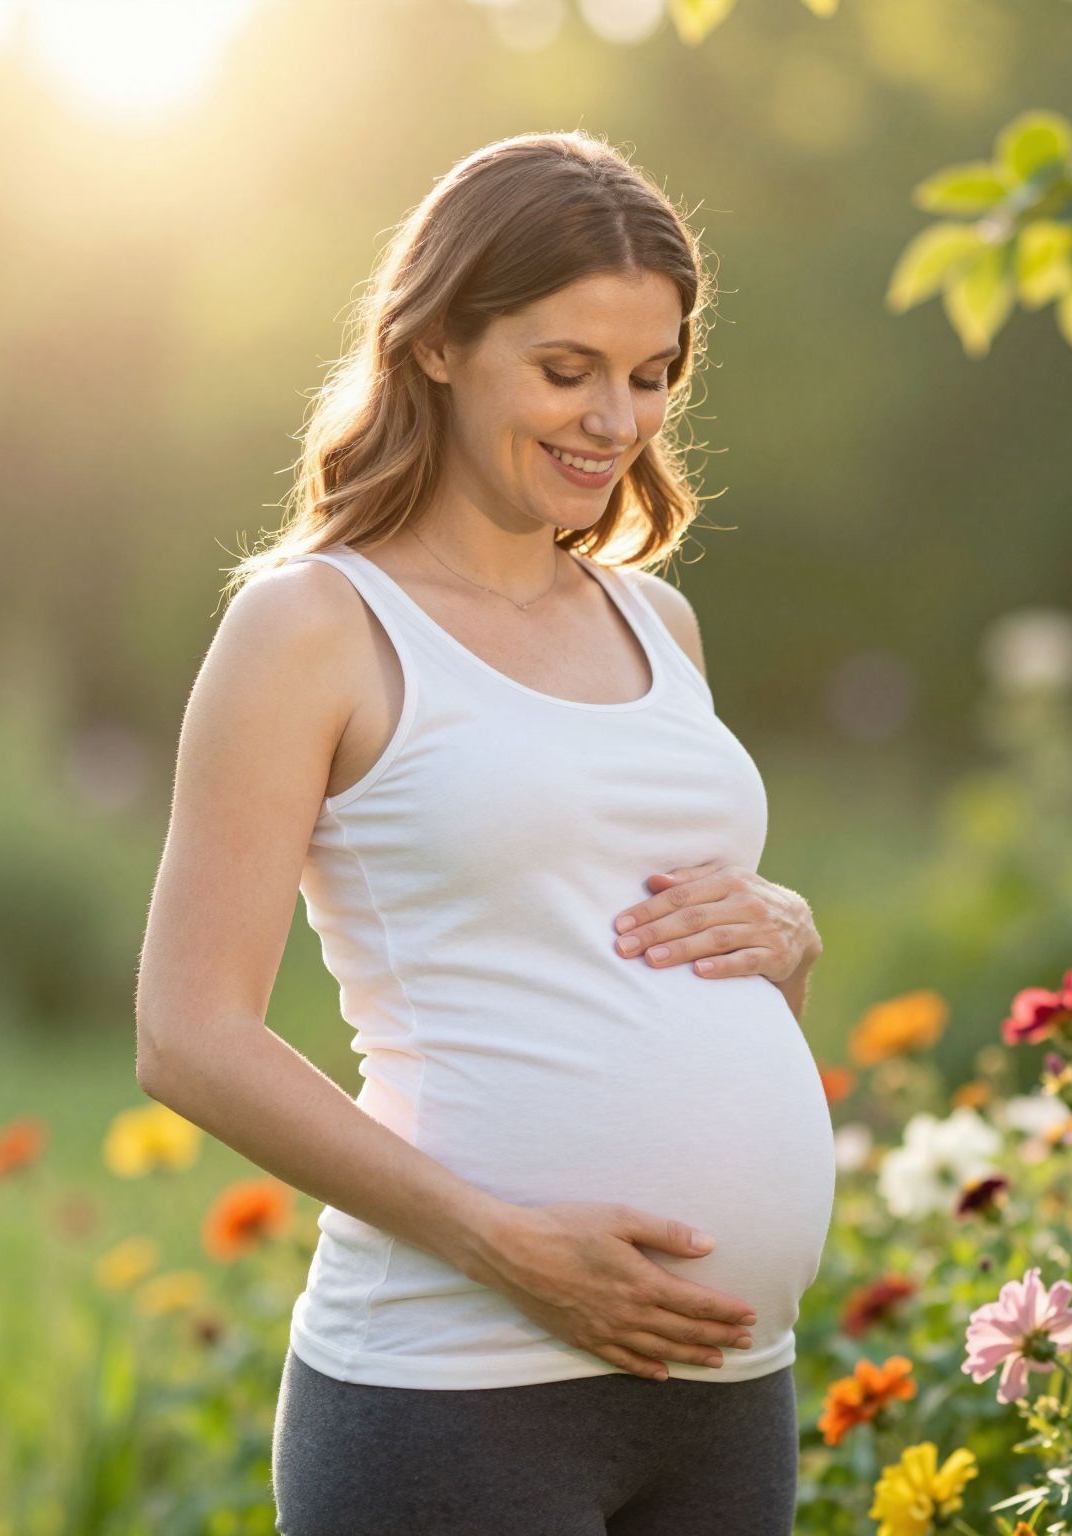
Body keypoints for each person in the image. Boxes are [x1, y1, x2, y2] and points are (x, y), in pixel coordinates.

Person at [132, 130, 837, 1534]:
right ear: (441, 342)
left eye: (651, 377)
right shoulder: (314, 626)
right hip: (457, 1395)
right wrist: (504, 1244)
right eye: (566, 370)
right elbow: (188, 1036)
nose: (614, 422)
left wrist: (788, 937)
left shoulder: (659, 621)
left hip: (726, 1387)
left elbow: (620, 940)